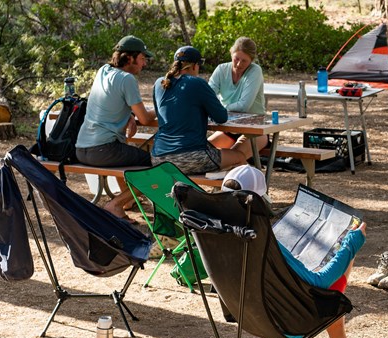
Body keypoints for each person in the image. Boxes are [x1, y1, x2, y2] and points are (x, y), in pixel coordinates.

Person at [221, 166, 370, 338]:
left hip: (244, 314)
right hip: (288, 322)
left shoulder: (215, 232)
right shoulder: (261, 239)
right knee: (341, 259)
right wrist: (352, 243)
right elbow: (320, 282)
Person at [75, 35, 156, 222]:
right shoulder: (127, 79)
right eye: (142, 58)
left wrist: (128, 114)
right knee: (158, 165)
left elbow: (107, 100)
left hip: (82, 149)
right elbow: (145, 117)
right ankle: (115, 204)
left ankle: (125, 202)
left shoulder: (103, 70)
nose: (144, 64)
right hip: (104, 150)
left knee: (133, 155)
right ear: (129, 58)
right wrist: (158, 110)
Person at [150, 46, 255, 174]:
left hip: (157, 157)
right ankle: (232, 192)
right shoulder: (197, 83)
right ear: (195, 66)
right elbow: (221, 117)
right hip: (190, 157)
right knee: (239, 157)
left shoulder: (159, 83)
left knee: (215, 153)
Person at [207, 37, 268, 153]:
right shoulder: (221, 69)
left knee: (235, 156)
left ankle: (251, 171)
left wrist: (217, 109)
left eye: (244, 61)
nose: (239, 64)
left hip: (255, 130)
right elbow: (207, 97)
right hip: (229, 128)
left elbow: (243, 106)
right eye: (236, 59)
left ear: (251, 60)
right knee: (205, 152)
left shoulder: (255, 71)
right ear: (231, 54)